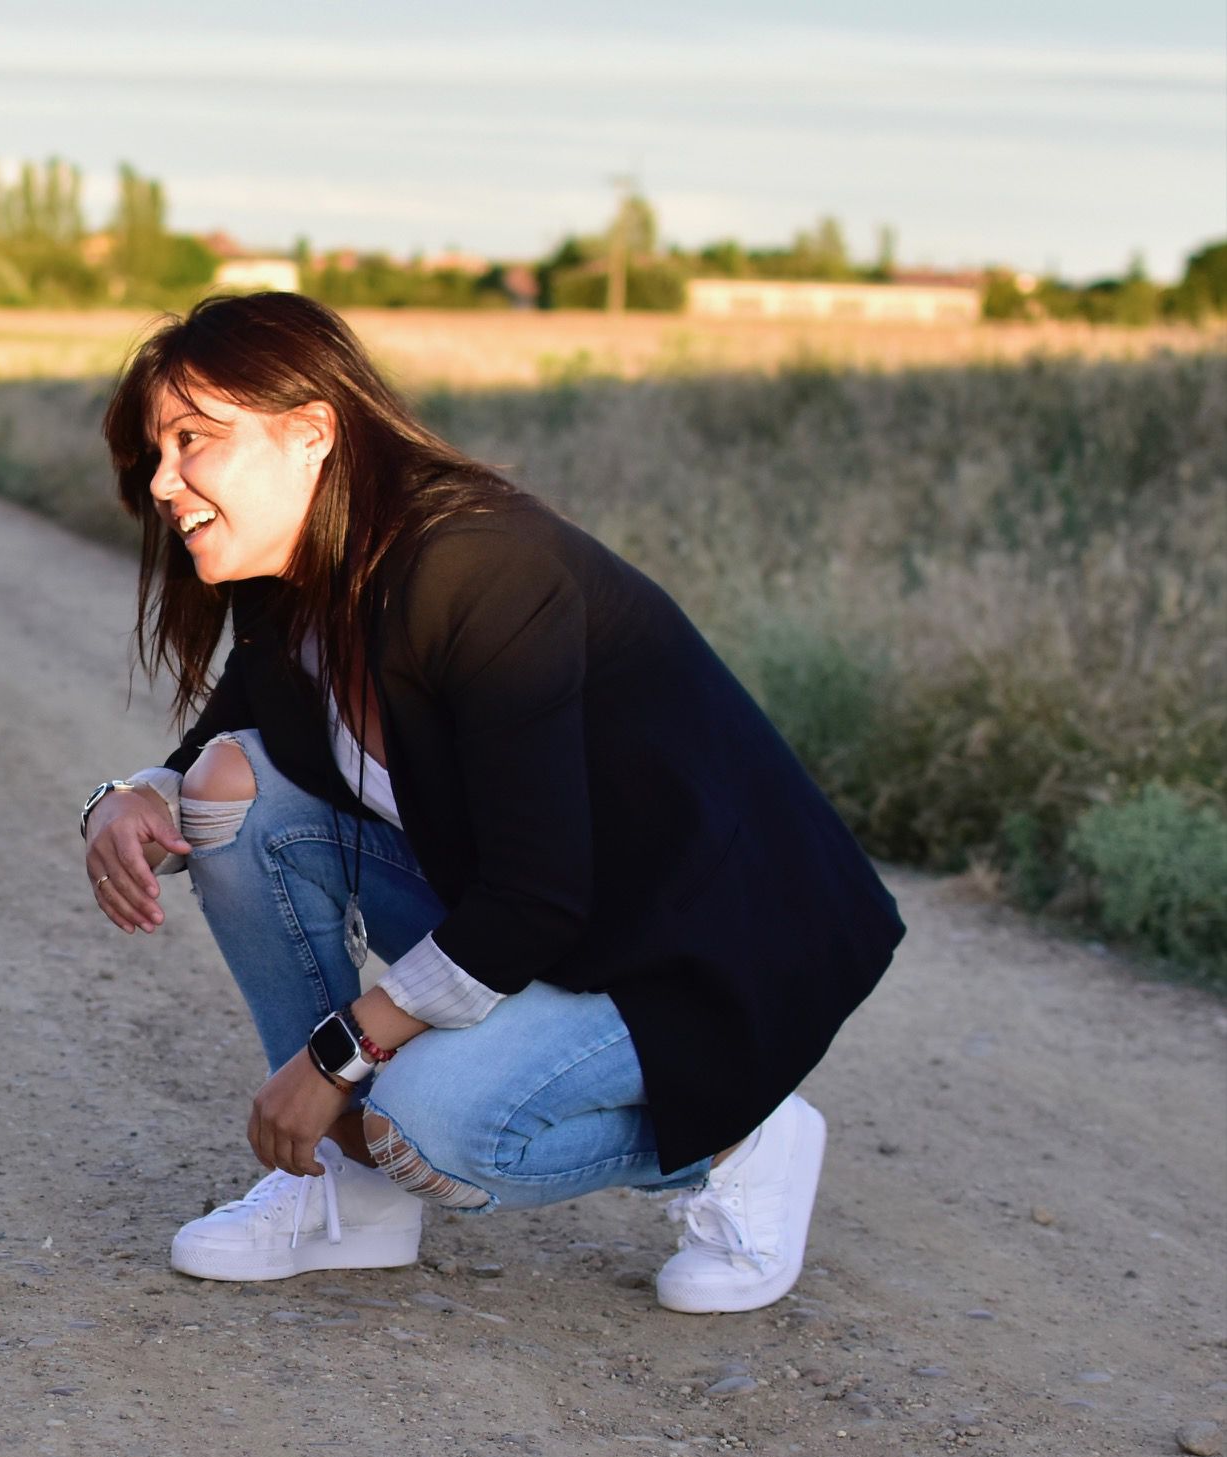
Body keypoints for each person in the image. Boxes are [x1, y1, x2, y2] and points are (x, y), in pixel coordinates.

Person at [79, 292, 901, 1313]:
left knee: (424, 1124)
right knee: (229, 792)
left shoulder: (476, 568)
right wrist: (130, 795)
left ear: (311, 432)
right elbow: (228, 740)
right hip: (552, 926)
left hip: (693, 952)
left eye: (193, 441)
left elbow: (535, 897)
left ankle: (738, 1127)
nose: (163, 483)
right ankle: (345, 1191)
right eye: (152, 454)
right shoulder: (297, 578)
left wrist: (337, 1057)